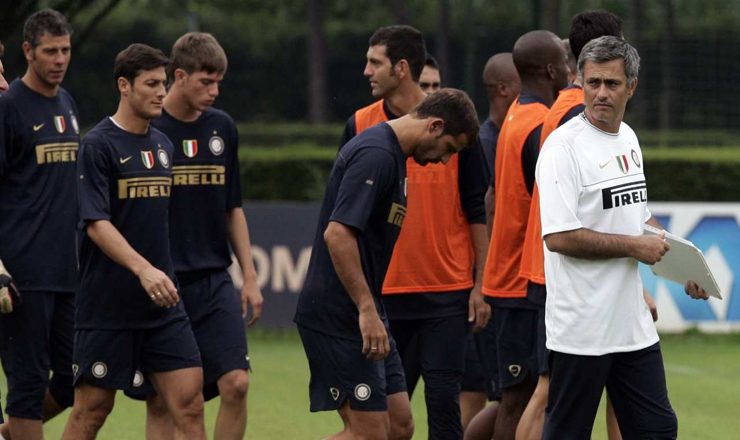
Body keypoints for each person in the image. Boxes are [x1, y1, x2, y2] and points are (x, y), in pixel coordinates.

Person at [538, 35, 709, 439]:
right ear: (579, 81)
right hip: (581, 331)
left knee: (657, 429)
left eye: (611, 84)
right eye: (592, 82)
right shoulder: (563, 148)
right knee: (568, 432)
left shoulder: (628, 138)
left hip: (631, 326)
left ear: (631, 86)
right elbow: (560, 237)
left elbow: (640, 222)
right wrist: (636, 247)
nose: (600, 93)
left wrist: (686, 267)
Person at [295, 88, 480, 440]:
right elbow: (337, 235)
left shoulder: (395, 156)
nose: (444, 162)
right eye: (448, 150)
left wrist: (371, 311)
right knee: (370, 433)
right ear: (435, 126)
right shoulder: (376, 155)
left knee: (398, 426)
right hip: (339, 314)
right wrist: (366, 310)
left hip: (367, 312)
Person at [61, 43, 206, 440]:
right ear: (124, 85)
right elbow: (95, 222)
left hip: (163, 305)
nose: (161, 92)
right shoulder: (98, 145)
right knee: (91, 411)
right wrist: (143, 270)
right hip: (107, 304)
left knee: (189, 405)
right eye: (151, 83)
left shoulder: (163, 146)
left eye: (163, 83)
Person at [136, 31, 263, 440]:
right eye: (206, 81)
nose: (214, 90)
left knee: (237, 384)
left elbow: (233, 207)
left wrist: (251, 274)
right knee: (166, 401)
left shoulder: (222, 128)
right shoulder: (148, 131)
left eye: (218, 81)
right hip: (164, 286)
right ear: (179, 76)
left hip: (213, 280)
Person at [515, 10, 625, 440]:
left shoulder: (561, 108)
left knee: (557, 390)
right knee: (547, 393)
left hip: (558, 269)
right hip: (561, 273)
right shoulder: (574, 118)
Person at [479, 30, 569, 440]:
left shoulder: (517, 111)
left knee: (518, 396)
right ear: (552, 70)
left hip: (510, 278)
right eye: (566, 62)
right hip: (520, 282)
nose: (571, 69)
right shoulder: (537, 125)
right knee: (520, 398)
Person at [0, 10, 79, 439]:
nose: (59, 59)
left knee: (71, 382)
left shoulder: (68, 103)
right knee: (27, 388)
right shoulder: (8, 108)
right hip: (21, 277)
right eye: (50, 51)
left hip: (66, 274)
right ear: (28, 51)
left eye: (65, 49)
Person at [464, 51, 521, 440]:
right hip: (497, 290)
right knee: (511, 398)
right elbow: (483, 213)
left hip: (502, 286)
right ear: (503, 88)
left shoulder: (505, 136)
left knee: (511, 397)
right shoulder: (488, 144)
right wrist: (483, 283)